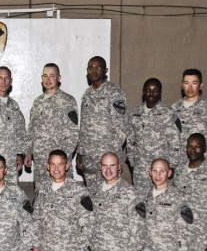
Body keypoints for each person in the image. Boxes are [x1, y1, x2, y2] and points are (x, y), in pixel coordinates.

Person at [76, 56, 128, 194]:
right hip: (89, 157)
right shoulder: (87, 94)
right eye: (90, 67)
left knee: (109, 194)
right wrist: (80, 152)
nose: (93, 70)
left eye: (97, 67)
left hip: (106, 159)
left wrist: (110, 155)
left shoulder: (114, 93)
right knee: (92, 195)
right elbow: (83, 125)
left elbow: (121, 128)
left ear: (105, 70)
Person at [25, 63, 79, 188]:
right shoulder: (37, 102)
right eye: (45, 76)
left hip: (58, 162)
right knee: (41, 195)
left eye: (52, 76)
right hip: (40, 160)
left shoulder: (68, 101)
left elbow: (73, 133)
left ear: (59, 78)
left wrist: (62, 159)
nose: (48, 79)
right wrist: (28, 152)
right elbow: (31, 129)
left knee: (63, 195)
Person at [127, 78, 181, 189]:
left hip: (160, 171)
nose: (151, 93)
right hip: (140, 170)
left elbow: (175, 143)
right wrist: (132, 161)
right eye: (148, 90)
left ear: (160, 93)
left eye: (155, 90)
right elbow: (130, 140)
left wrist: (171, 166)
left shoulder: (168, 113)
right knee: (141, 203)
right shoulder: (136, 112)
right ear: (143, 92)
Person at [172, 69, 207, 164]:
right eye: (186, 83)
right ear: (182, 85)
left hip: (201, 165)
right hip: (178, 164)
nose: (190, 87)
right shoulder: (173, 108)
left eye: (194, 83)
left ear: (201, 86)